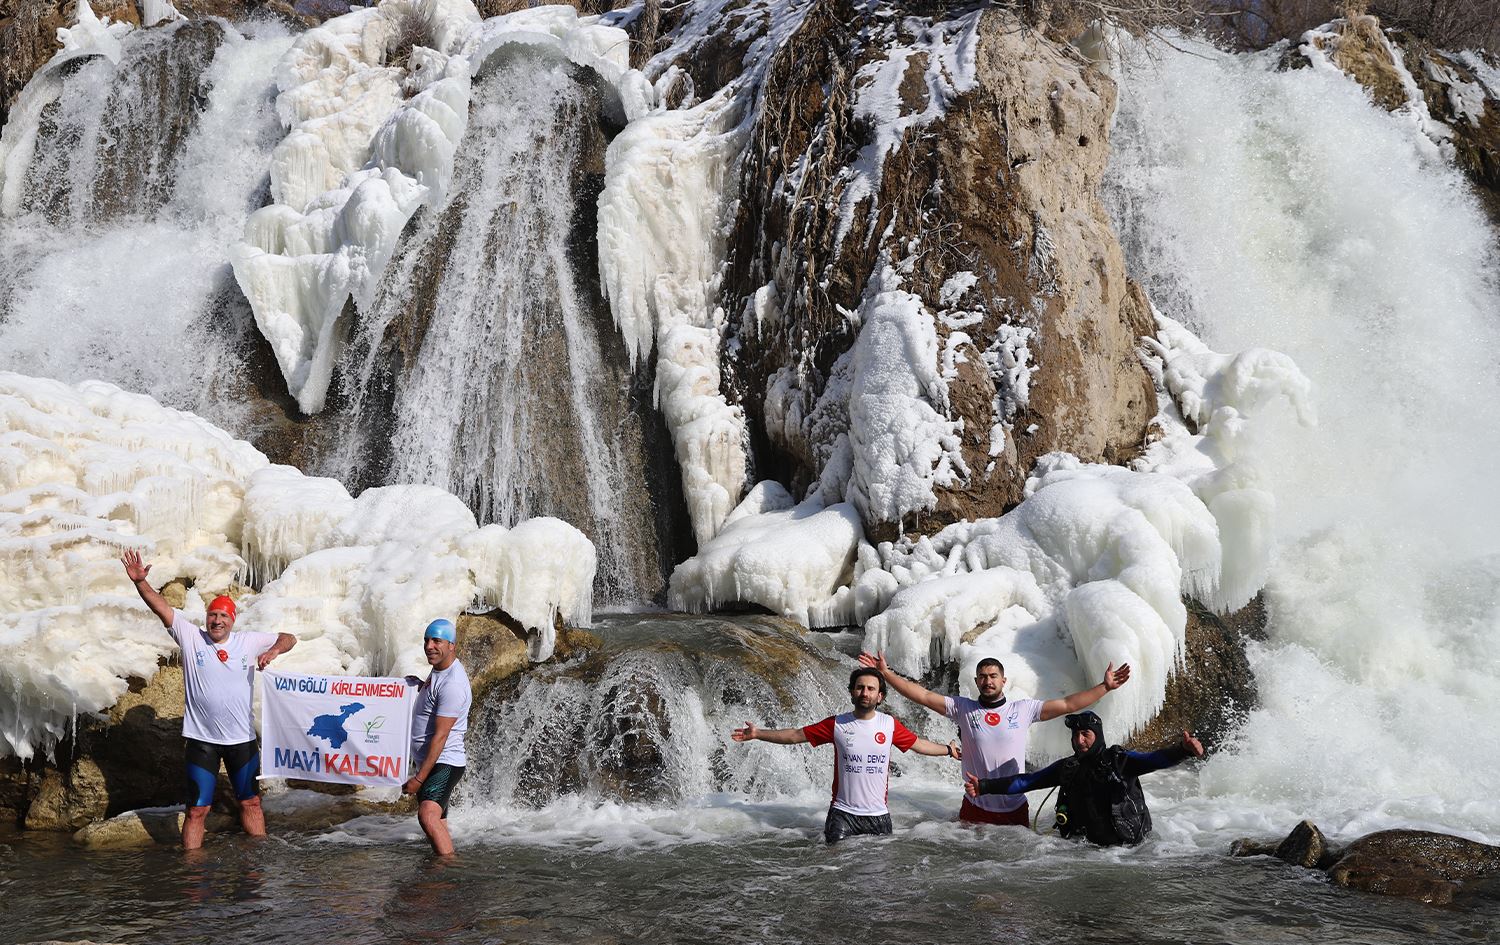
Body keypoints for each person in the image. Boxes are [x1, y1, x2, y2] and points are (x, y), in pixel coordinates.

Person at [121, 549, 296, 850]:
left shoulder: (248, 641)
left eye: (223, 616)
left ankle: (258, 859)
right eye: (212, 615)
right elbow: (161, 607)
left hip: (241, 739)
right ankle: (192, 871)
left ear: (232, 619)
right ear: (206, 618)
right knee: (197, 810)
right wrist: (140, 584)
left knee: (251, 802)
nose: (217, 620)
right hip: (203, 740)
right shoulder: (191, 637)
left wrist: (273, 651)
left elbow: (289, 637)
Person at [858, 651, 1130, 827]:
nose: (988, 681)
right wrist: (887, 674)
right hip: (976, 807)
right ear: (976, 682)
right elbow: (924, 696)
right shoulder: (963, 708)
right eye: (983, 677)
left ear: (1003, 681)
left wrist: (1104, 687)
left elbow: (1069, 704)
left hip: (1014, 808)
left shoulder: (1022, 710)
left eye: (993, 676)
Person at [732, 667, 960, 843]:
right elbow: (795, 735)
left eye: (871, 689)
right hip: (842, 815)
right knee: (837, 878)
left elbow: (918, 744)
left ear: (880, 696)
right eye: (860, 687)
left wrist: (948, 750)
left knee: (878, 880)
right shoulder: (837, 724)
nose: (865, 693)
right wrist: (758, 733)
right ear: (852, 692)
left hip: (878, 817)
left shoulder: (889, 725)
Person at [964, 710, 1204, 845]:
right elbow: (1027, 781)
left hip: (1132, 852)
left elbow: (1155, 760)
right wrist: (985, 786)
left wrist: (1182, 750)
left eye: (1086, 734)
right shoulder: (1068, 768)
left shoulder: (1120, 760)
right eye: (1076, 735)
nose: (1079, 741)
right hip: (1087, 851)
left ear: (1097, 735)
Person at [402, 618, 471, 857]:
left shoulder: (453, 684)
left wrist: (419, 779)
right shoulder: (441, 670)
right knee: (438, 820)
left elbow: (441, 737)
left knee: (427, 815)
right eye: (426, 640)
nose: (429, 646)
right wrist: (421, 687)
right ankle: (445, 876)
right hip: (435, 761)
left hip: (445, 761)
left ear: (452, 645)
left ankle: (448, 869)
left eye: (437, 641)